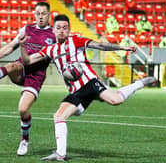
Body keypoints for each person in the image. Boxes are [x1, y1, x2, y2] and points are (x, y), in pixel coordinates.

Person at [19, 14, 156, 161]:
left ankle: (139, 83)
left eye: (65, 28)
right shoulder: (50, 50)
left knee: (115, 101)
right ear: (53, 30)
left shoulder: (76, 40)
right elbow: (27, 61)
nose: (61, 31)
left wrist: (122, 47)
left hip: (89, 82)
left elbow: (100, 45)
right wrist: (22, 46)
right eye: (58, 28)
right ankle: (61, 153)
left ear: (69, 29)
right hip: (76, 90)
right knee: (61, 115)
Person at [0, 2, 56, 156]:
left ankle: (25, 140)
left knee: (23, 109)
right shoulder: (26, 29)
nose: (40, 16)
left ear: (49, 15)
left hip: (36, 76)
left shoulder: (54, 34)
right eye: (38, 13)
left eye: (43, 13)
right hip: (21, 67)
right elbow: (10, 47)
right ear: (34, 14)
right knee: (11, 65)